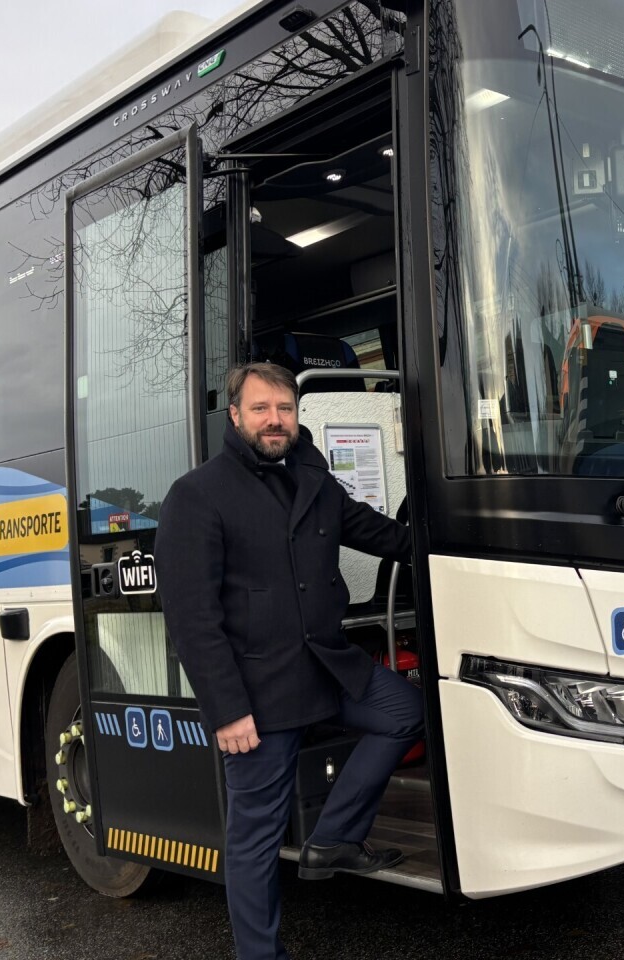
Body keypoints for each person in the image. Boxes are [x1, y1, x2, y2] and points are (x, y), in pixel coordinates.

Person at [155, 362, 424, 960]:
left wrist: (459, 537)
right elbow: (193, 621)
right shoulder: (197, 495)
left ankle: (334, 838)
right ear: (235, 416)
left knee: (407, 713)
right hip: (258, 694)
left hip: (328, 668)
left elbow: (382, 535)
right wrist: (227, 711)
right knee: (254, 837)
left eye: (285, 408)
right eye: (261, 409)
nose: (275, 420)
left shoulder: (315, 480)